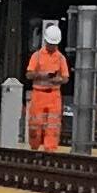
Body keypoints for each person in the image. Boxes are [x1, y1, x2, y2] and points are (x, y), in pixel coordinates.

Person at [26, 20, 69, 151]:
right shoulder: (37, 56)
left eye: (54, 44)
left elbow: (66, 78)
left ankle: (50, 150)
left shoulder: (60, 58)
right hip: (38, 94)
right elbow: (29, 74)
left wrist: (58, 80)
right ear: (45, 41)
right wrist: (41, 75)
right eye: (51, 44)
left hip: (54, 95)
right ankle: (34, 146)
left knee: (53, 126)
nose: (52, 46)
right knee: (35, 124)